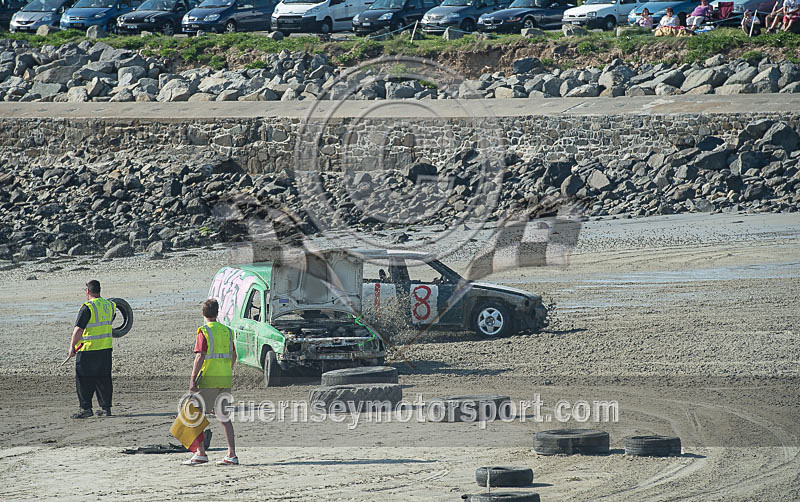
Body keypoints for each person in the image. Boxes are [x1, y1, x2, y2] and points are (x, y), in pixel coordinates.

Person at [183, 299, 238, 466]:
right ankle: (231, 454)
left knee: (193, 414)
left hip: (208, 379)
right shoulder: (227, 331)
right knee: (224, 417)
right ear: (217, 312)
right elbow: (234, 355)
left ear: (203, 314)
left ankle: (200, 453)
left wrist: (193, 379)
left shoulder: (204, 331)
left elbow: (200, 356)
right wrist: (227, 370)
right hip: (225, 378)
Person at [68, 280, 115, 419]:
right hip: (105, 348)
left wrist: (72, 347)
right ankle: (106, 409)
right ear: (99, 290)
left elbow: (78, 330)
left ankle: (86, 408)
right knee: (104, 379)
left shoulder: (87, 307)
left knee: (83, 380)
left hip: (88, 349)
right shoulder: (111, 305)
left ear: (87, 291)